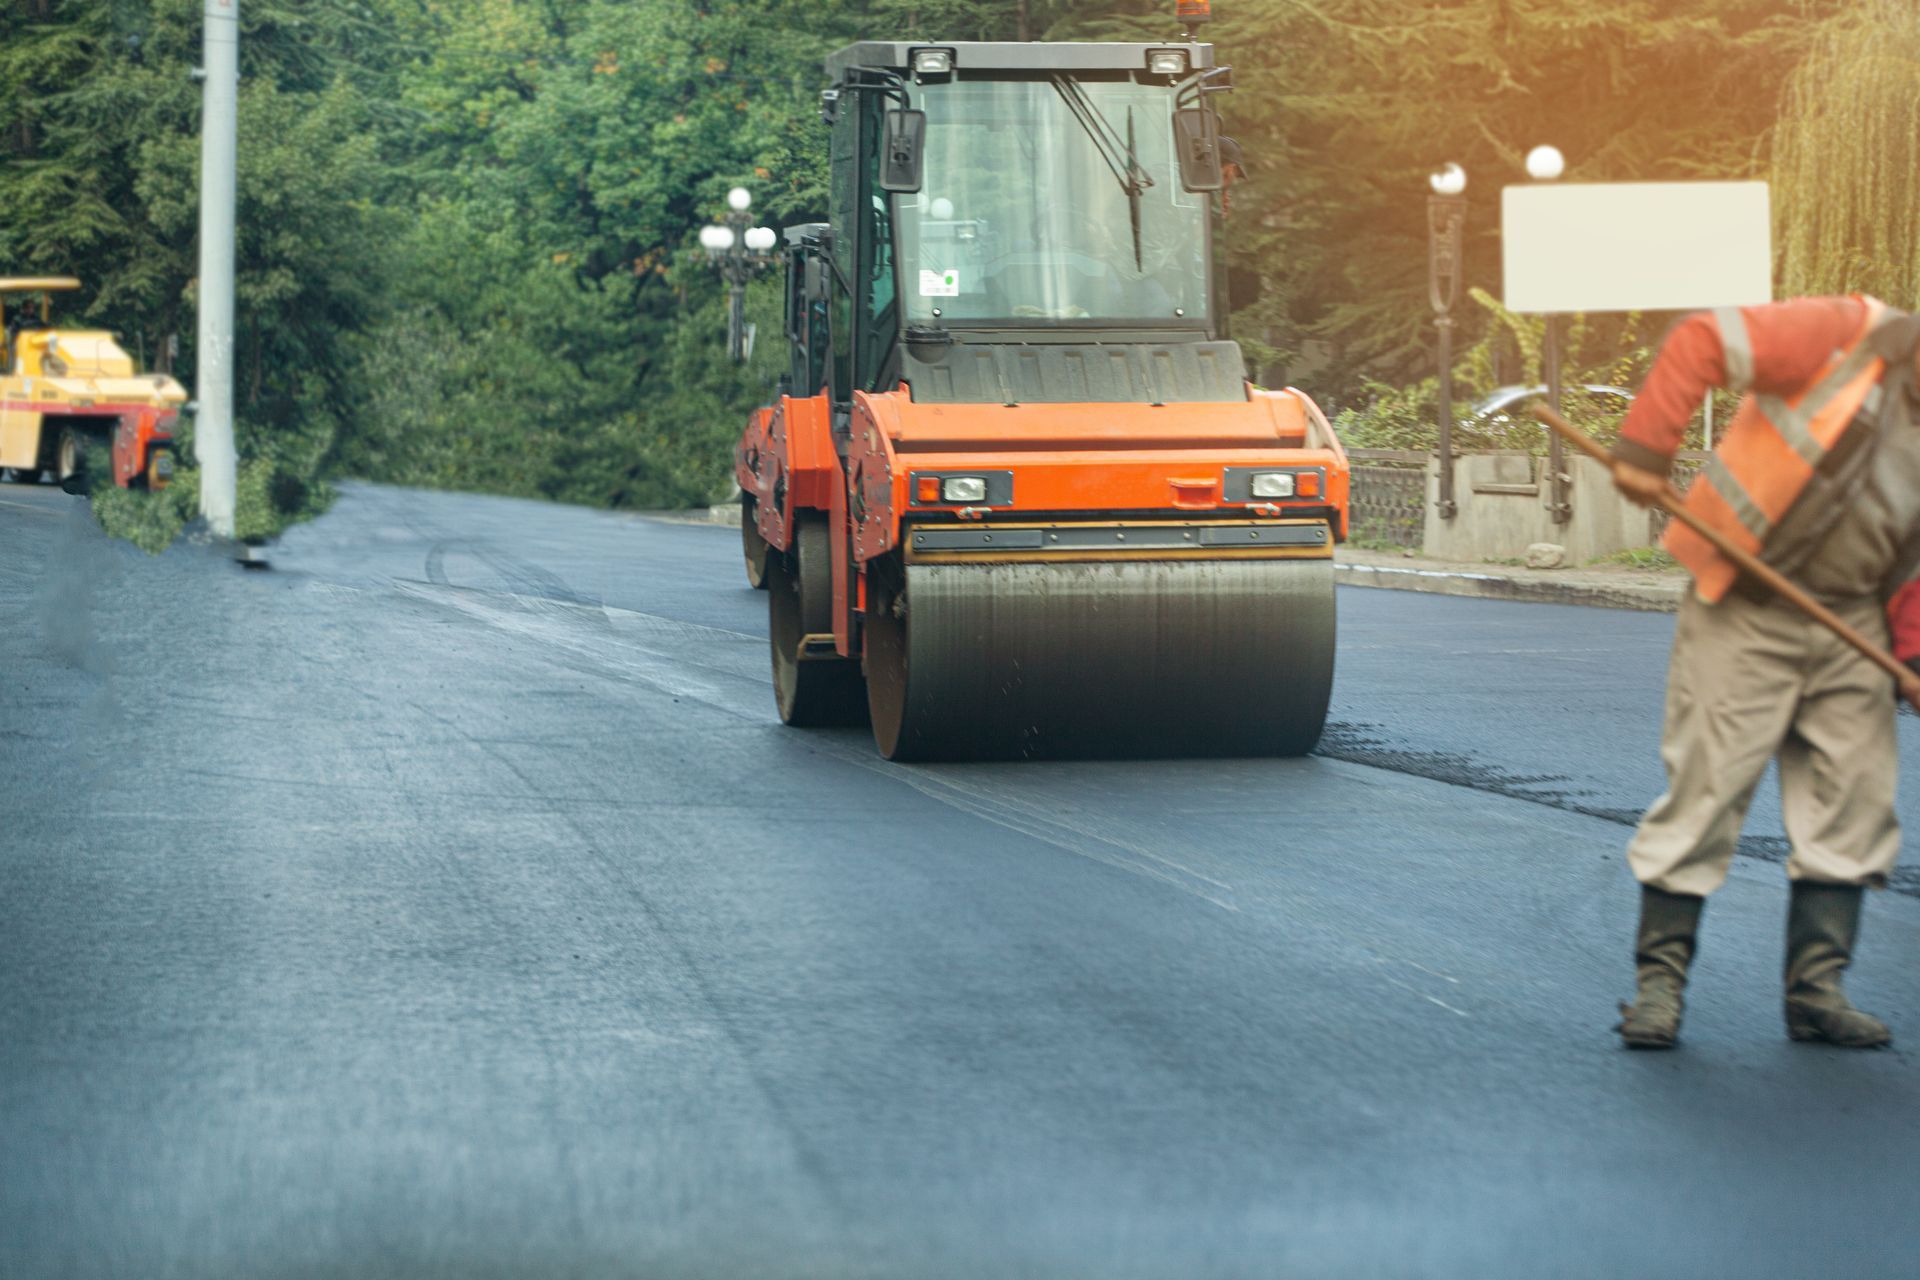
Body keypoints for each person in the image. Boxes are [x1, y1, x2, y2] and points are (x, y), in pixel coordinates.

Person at [1609, 294, 1920, 1049]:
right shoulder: (1848, 335)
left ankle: (1816, 993)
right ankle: (1659, 989)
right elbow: (1700, 338)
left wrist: (1911, 659)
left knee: (1855, 800)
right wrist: (1647, 450)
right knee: (1707, 789)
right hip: (1746, 604)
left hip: (1853, 622)